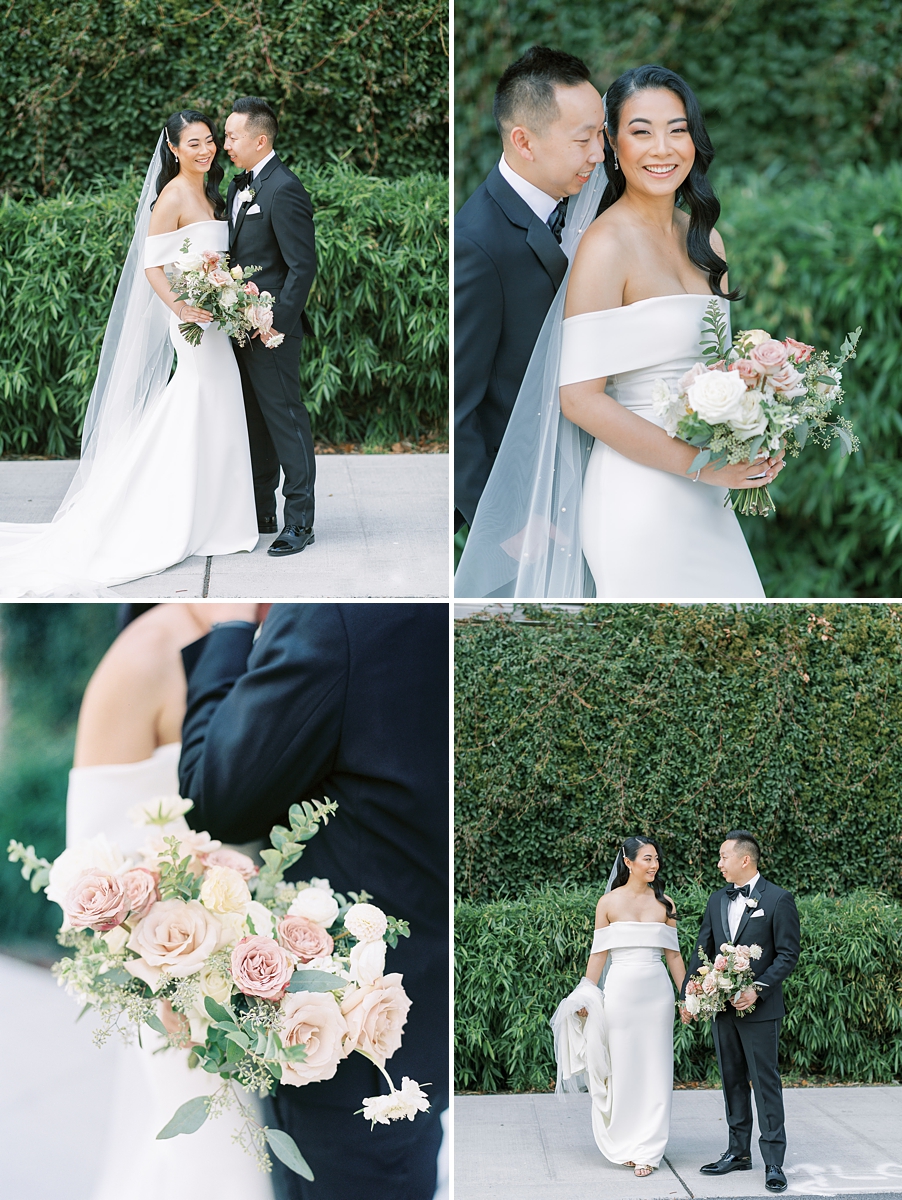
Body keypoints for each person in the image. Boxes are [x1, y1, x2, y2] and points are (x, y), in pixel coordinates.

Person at [455, 65, 783, 600]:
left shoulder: (708, 241)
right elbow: (580, 400)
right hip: (640, 494)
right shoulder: (604, 246)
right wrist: (702, 466)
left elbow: (717, 372)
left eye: (678, 129)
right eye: (641, 131)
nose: (663, 148)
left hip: (706, 495)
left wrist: (764, 424)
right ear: (614, 146)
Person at [177, 603, 449, 1200]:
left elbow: (212, 797)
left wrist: (227, 632)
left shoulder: (337, 619)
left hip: (342, 1058)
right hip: (410, 1024)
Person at [0, 111, 259, 597]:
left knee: (217, 406)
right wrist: (183, 305)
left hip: (215, 319)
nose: (205, 150)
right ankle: (171, 512)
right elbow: (152, 265)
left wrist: (226, 296)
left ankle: (217, 517)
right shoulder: (173, 196)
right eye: (194, 144)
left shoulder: (209, 193)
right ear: (174, 149)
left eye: (209, 142)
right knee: (196, 399)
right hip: (191, 321)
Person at [66, 603, 275, 1200]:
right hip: (176, 1005)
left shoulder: (295, 634)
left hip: (268, 986)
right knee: (219, 1173)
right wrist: (175, 973)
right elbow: (86, 872)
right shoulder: (145, 654)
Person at [454, 46, 605, 536]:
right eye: (584, 139)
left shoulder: (592, 208)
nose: (599, 155)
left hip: (592, 478)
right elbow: (459, 405)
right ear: (524, 140)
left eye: (601, 134)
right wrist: (502, 528)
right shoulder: (476, 244)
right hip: (528, 504)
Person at [551, 836, 685, 1178]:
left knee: (657, 1070)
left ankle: (649, 1150)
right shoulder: (607, 903)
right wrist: (585, 996)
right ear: (627, 862)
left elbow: (674, 955)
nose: (654, 865)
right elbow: (599, 955)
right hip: (621, 995)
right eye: (647, 859)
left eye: (656, 859)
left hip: (657, 996)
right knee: (623, 1068)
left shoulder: (666, 904)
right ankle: (625, 1142)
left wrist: (687, 995)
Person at [679, 831, 800, 1195]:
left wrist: (757, 990)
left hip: (760, 1012)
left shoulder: (779, 899)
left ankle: (774, 1161)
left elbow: (787, 955)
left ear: (744, 860)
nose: (719, 863)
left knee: (765, 1083)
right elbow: (703, 946)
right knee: (731, 1079)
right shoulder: (717, 899)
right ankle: (737, 1153)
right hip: (722, 1010)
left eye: (723, 857)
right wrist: (691, 993)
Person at [224, 97, 318, 557]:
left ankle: (299, 522)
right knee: (254, 422)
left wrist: (274, 323)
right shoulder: (236, 187)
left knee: (286, 422)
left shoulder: (284, 189)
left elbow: (303, 266)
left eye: (232, 137)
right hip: (239, 327)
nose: (225, 145)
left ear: (260, 140)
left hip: (273, 330)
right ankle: (262, 511)